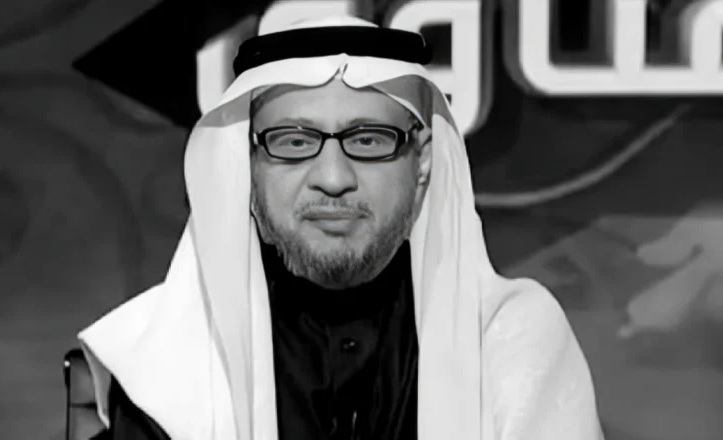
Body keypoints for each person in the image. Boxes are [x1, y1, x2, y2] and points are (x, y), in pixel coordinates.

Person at [77, 16, 604, 440]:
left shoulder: (509, 341)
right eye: (294, 141)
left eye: (368, 139)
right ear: (248, 165)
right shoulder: (163, 364)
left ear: (422, 160)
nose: (332, 178)